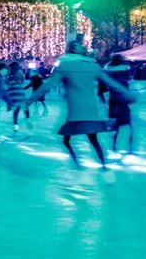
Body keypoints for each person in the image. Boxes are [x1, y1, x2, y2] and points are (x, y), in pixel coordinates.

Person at [24, 40, 134, 169]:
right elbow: (112, 84)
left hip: (75, 110)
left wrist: (29, 100)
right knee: (93, 139)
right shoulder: (93, 66)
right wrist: (128, 95)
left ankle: (78, 165)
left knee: (67, 140)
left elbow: (47, 86)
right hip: (91, 109)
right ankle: (103, 165)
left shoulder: (65, 66)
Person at [105, 54, 134, 153]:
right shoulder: (125, 71)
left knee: (115, 126)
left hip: (113, 101)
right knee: (128, 125)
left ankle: (113, 146)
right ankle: (130, 147)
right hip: (122, 101)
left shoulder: (108, 70)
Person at [5, 62, 29, 131]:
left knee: (26, 108)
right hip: (13, 94)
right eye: (15, 67)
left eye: (17, 67)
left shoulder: (20, 73)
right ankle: (15, 124)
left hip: (20, 92)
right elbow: (7, 83)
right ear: (12, 67)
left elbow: (22, 81)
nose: (16, 68)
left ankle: (27, 120)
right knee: (17, 109)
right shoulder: (8, 75)